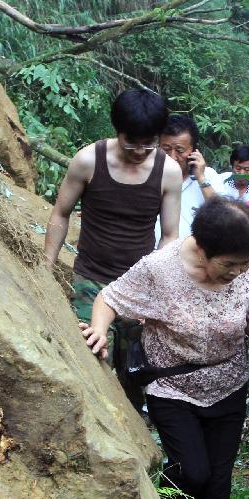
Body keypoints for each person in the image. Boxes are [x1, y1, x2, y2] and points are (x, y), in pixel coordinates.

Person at [81, 198, 249, 499]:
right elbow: (110, 297)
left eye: (243, 264)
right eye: (229, 265)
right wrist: (100, 329)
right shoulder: (161, 268)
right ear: (203, 247)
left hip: (228, 383)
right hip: (173, 385)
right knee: (191, 471)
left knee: (218, 479)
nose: (238, 273)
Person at [44, 89, 182, 411]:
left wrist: (156, 290)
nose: (139, 151)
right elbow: (60, 213)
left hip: (137, 288)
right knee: (89, 361)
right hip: (89, 281)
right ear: (117, 131)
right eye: (131, 142)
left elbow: (170, 236)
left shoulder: (168, 172)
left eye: (148, 143)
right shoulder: (89, 161)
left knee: (133, 373)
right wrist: (46, 267)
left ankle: (136, 438)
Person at [155, 114, 221, 239]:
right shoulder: (148, 175)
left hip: (194, 255)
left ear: (194, 150)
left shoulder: (208, 175)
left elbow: (223, 215)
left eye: (179, 150)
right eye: (166, 149)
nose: (172, 157)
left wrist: (201, 178)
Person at [217, 145, 249, 219]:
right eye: (238, 168)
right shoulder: (220, 181)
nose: (242, 173)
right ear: (232, 166)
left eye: (247, 169)